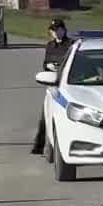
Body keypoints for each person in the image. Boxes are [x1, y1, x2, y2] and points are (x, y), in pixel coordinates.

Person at [29, 20, 75, 155]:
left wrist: (60, 67)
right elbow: (45, 63)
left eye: (58, 29)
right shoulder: (50, 45)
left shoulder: (71, 45)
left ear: (64, 30)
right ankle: (39, 146)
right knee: (45, 116)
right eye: (53, 30)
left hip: (66, 84)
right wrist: (49, 66)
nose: (55, 32)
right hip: (52, 83)